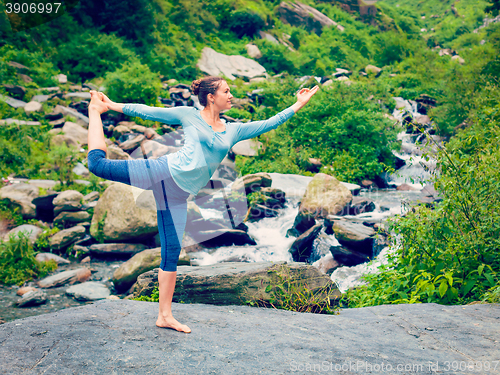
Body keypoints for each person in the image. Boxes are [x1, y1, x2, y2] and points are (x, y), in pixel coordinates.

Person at [86, 76, 319, 333]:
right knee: (98, 165)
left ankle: (164, 315)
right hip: (161, 173)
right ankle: (94, 112)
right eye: (226, 91)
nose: (231, 96)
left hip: (176, 195)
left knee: (171, 253)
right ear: (211, 96)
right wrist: (112, 105)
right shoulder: (189, 115)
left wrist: (298, 104)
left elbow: (268, 123)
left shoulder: (233, 130)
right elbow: (149, 111)